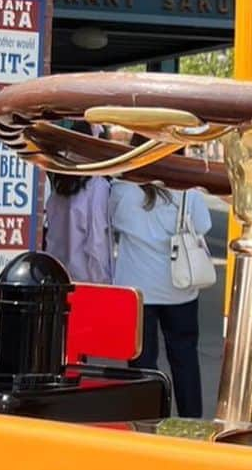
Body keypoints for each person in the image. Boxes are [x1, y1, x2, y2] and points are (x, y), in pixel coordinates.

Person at [109, 179, 212, 418]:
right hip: (180, 288)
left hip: (136, 291)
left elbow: (111, 221)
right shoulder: (187, 192)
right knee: (185, 358)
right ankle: (191, 420)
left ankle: (146, 418)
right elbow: (203, 225)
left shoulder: (122, 191)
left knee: (141, 360)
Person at [43, 125, 114, 285]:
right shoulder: (98, 186)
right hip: (87, 282)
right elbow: (96, 243)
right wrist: (103, 282)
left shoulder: (58, 185)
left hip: (58, 278)